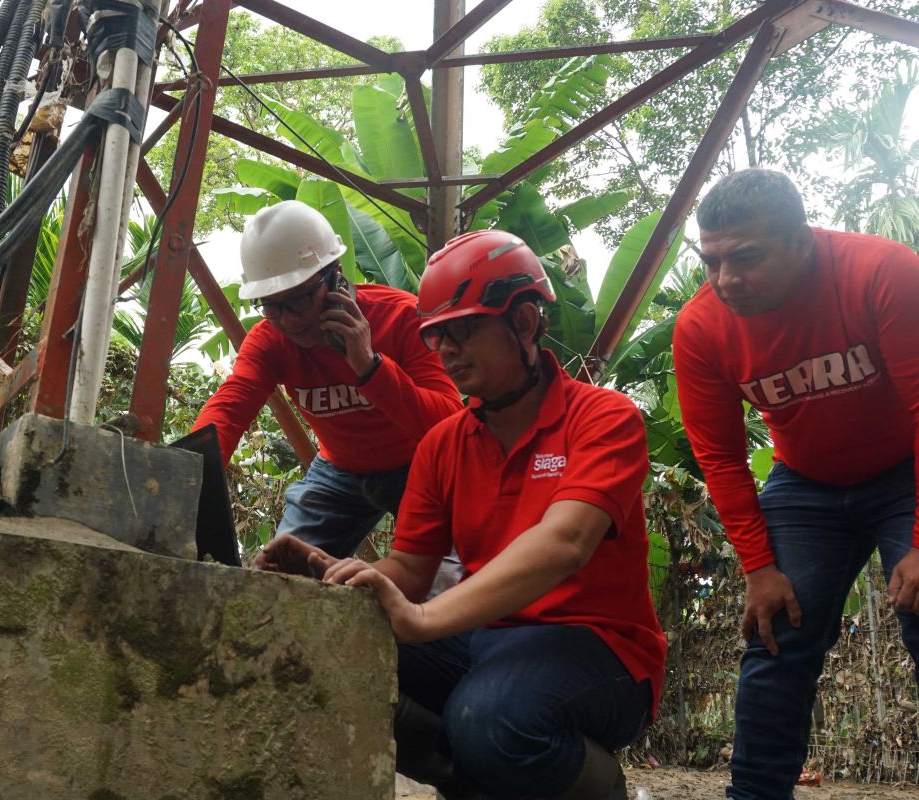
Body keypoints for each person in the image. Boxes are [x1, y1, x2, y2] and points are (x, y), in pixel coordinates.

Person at [256, 230, 666, 800]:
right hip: (490, 641)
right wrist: (331, 574)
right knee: (326, 642)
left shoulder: (603, 417)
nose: (445, 350)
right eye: (435, 335)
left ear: (524, 322)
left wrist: (424, 620)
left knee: (488, 719)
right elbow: (409, 570)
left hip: (602, 651)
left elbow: (565, 543)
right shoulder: (443, 444)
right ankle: (483, 783)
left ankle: (607, 791)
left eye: (462, 330)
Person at [672, 168, 919, 800]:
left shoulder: (883, 272)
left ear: (802, 242)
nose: (727, 281)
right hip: (806, 482)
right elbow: (722, 459)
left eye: (747, 259)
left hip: (905, 471)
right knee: (776, 631)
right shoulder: (702, 329)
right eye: (712, 262)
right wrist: (758, 567)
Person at [194, 200, 464, 562]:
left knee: (450, 580)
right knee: (279, 571)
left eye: (299, 300)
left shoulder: (401, 317)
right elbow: (229, 409)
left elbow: (449, 423)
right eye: (271, 306)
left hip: (420, 465)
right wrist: (191, 476)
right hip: (338, 471)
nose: (288, 320)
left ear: (336, 278)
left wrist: (369, 367)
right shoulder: (270, 340)